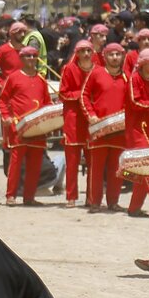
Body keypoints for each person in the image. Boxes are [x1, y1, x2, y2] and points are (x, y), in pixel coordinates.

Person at [0, 47, 51, 206]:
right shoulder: (13, 78)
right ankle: (11, 196)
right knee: (15, 163)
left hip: (37, 129)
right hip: (18, 127)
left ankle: (29, 197)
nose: (31, 58)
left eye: (34, 55)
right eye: (27, 55)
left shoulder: (41, 79)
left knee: (35, 164)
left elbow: (47, 102)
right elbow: (2, 100)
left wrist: (49, 119)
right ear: (21, 58)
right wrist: (6, 117)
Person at [80, 43, 127, 212]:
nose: (115, 57)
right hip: (99, 128)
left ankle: (113, 202)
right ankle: (94, 202)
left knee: (117, 169)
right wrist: (91, 115)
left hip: (120, 131)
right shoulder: (96, 73)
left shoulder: (127, 77)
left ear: (122, 56)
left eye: (118, 54)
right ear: (105, 56)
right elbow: (84, 96)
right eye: (111, 54)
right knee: (96, 168)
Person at [125, 49, 149, 217]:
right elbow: (134, 103)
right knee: (148, 165)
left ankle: (134, 208)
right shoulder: (134, 79)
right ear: (144, 64)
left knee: (146, 169)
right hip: (136, 128)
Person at [58, 40, 93, 208]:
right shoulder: (69, 69)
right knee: (72, 160)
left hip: (91, 119)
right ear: (77, 53)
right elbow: (63, 94)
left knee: (93, 160)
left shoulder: (97, 70)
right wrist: (82, 95)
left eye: (88, 51)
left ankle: (92, 197)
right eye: (83, 51)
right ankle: (71, 196)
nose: (86, 54)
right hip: (73, 118)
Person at [0, 21, 27, 91]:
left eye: (24, 32)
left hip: (25, 89)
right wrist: (2, 85)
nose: (23, 34)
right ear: (12, 33)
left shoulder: (26, 50)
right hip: (10, 91)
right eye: (19, 32)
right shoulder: (3, 50)